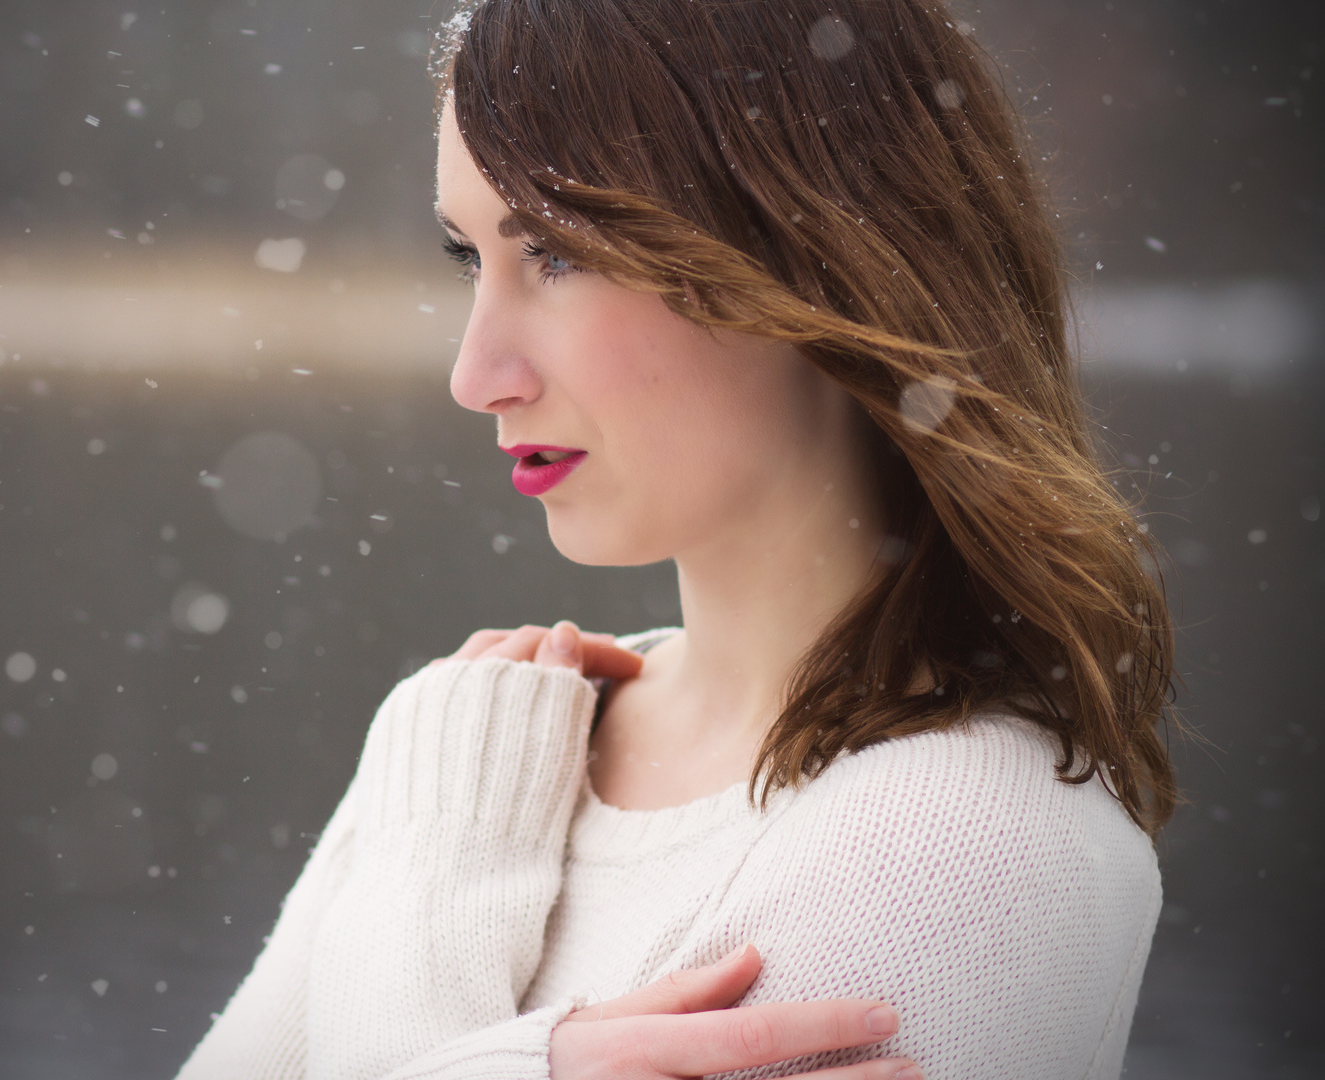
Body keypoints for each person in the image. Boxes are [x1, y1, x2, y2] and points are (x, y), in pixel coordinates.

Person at [176, 0, 1177, 1076]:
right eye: (471, 260)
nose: (476, 378)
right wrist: (430, 871)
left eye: (557, 254)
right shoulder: (469, 753)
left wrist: (423, 953)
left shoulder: (970, 847)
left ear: (818, 256)